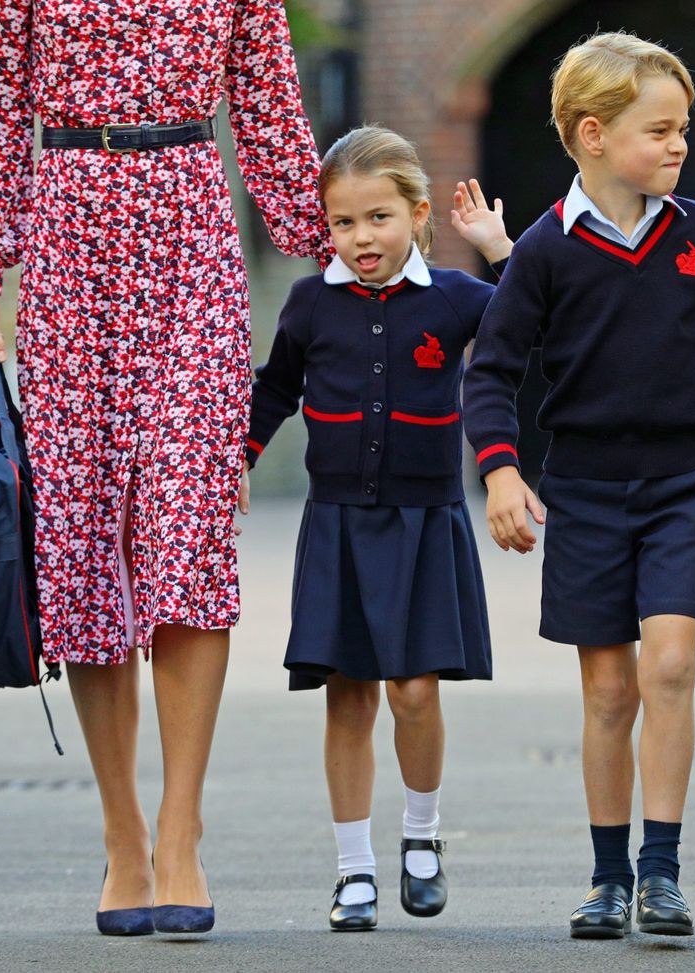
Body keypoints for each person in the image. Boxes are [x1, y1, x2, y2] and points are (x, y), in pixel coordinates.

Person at [0, 0, 330, 936]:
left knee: (187, 528)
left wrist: (340, 248)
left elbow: (271, 100)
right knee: (79, 542)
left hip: (191, 222)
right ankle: (122, 832)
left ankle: (180, 829)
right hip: (68, 230)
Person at [462, 32, 695, 940]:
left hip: (681, 486)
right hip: (584, 492)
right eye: (660, 130)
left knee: (669, 664)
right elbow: (490, 373)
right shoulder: (544, 250)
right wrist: (501, 472)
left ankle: (661, 871)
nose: (680, 145)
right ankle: (606, 878)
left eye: (684, 129)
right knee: (607, 694)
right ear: (593, 135)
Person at [241, 125, 513, 932]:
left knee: (416, 691)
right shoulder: (309, 302)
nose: (361, 238)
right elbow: (275, 389)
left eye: (379, 218)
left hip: (427, 521)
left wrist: (502, 253)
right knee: (348, 696)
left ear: (419, 213)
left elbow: (543, 324)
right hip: (337, 524)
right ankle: (353, 870)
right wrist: (234, 464)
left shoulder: (461, 298)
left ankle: (422, 839)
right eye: (342, 222)